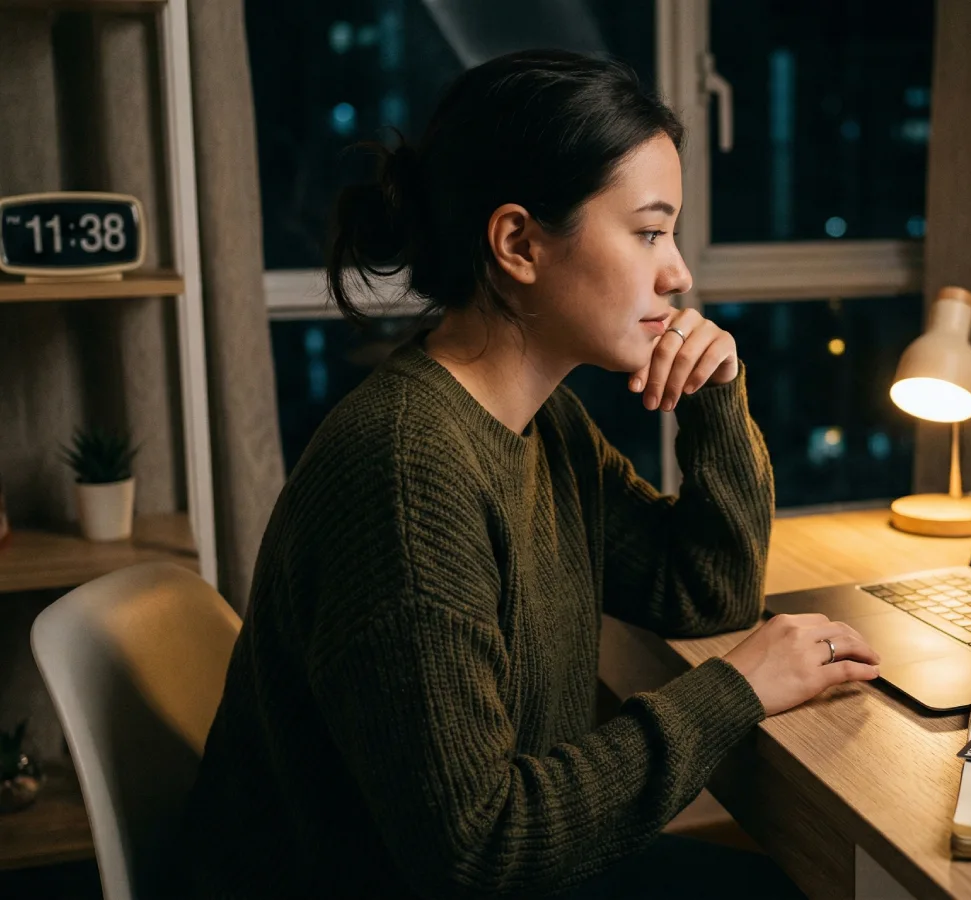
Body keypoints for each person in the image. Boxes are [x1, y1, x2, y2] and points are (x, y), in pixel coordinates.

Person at [179, 48, 881, 899]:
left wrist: (716, 400)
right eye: (649, 231)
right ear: (517, 243)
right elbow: (479, 849)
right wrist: (734, 692)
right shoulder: (408, 470)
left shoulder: (540, 420)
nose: (679, 273)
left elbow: (706, 594)